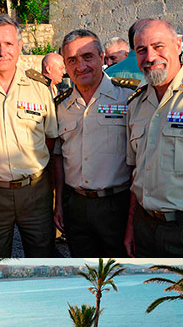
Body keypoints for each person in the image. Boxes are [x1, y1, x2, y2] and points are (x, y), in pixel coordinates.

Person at [0, 15, 59, 257]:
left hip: (35, 193)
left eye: (9, 44)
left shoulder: (40, 88)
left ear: (19, 46)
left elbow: (51, 140)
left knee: (43, 256)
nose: (2, 51)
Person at [125, 19, 183, 256]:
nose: (150, 57)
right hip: (145, 227)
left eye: (159, 46)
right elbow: (136, 172)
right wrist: (130, 226)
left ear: (178, 45)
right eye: (141, 50)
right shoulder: (136, 105)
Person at [55, 28, 133, 254]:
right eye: (72, 60)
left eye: (87, 57)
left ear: (101, 58)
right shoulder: (60, 106)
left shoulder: (129, 97)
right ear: (66, 66)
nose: (80, 66)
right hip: (76, 206)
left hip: (116, 204)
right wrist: (59, 204)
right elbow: (59, 158)